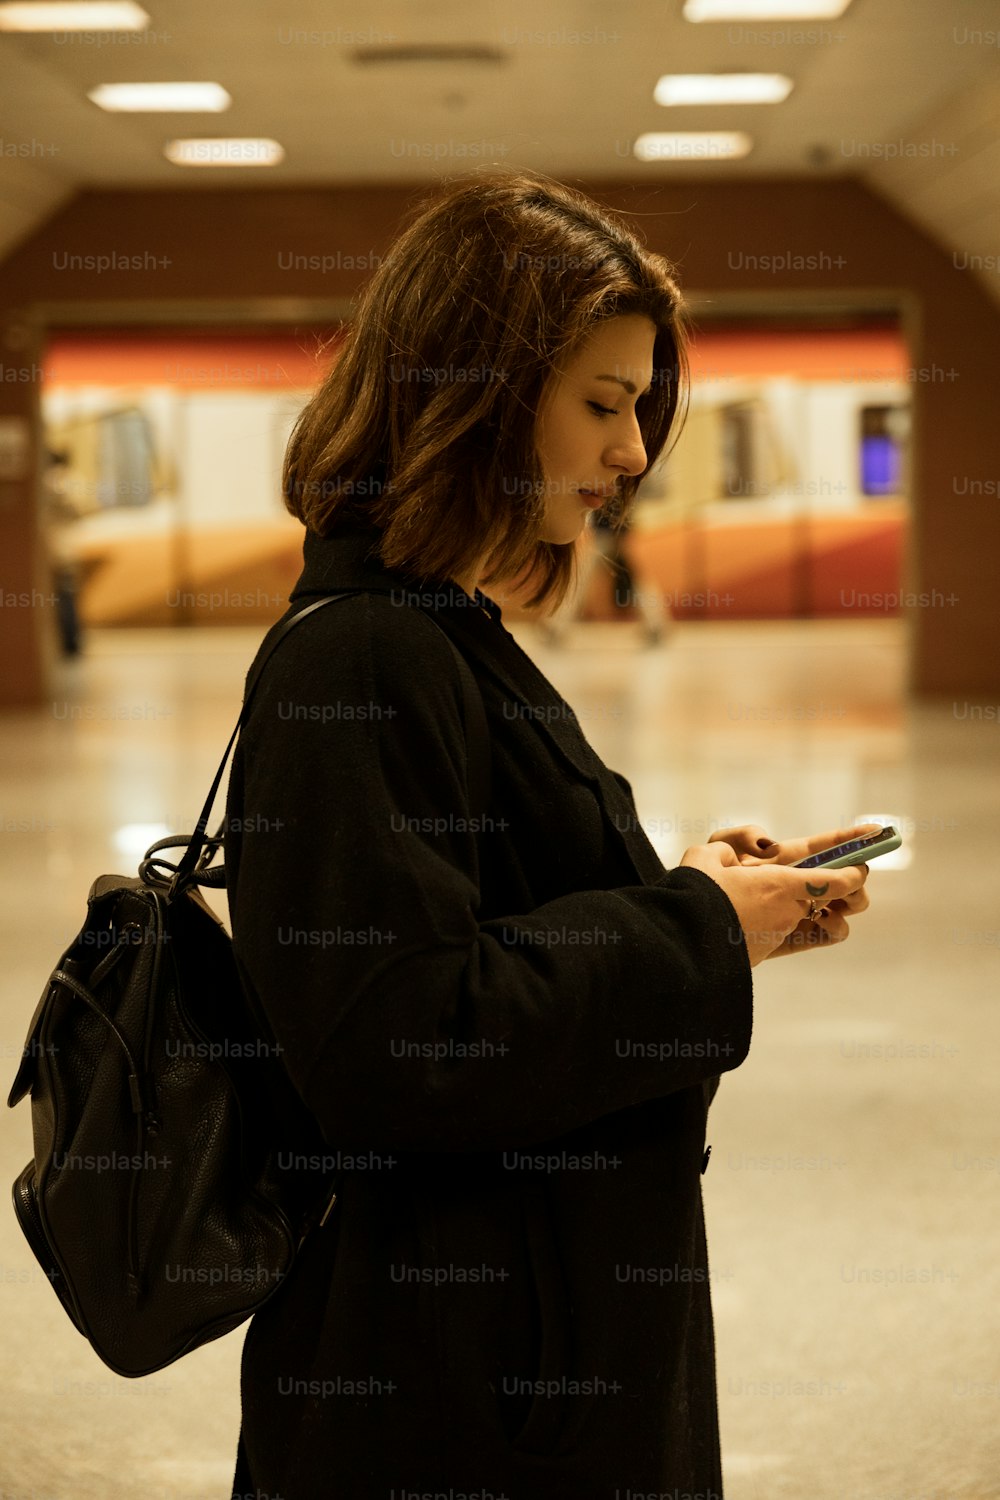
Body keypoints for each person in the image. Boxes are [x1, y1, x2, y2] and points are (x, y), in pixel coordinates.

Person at [224, 169, 871, 1500]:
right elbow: (404, 1044)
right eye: (601, 404)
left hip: (527, 1335)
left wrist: (708, 901)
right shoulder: (358, 660)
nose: (633, 456)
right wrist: (693, 927)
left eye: (638, 407)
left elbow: (492, 926)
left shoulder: (448, 634)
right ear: (469, 391)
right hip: (457, 1381)